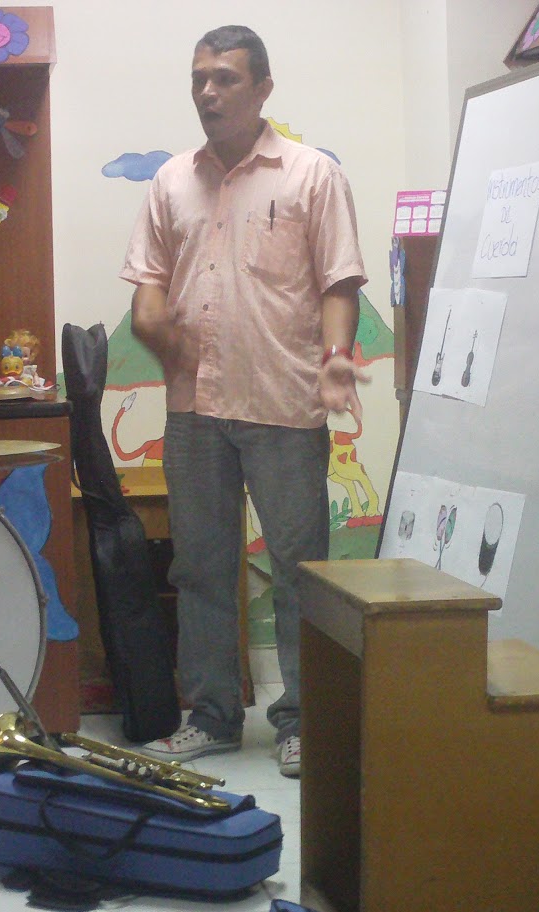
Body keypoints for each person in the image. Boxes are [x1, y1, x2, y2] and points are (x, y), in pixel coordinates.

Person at [120, 25, 367, 779]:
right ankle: (212, 717)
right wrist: (151, 322)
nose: (208, 91)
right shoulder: (170, 181)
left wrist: (336, 359)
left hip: (284, 402)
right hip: (194, 407)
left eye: (225, 78)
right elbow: (148, 286)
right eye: (199, 77)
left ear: (262, 88)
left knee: (299, 569)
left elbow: (340, 282)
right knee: (198, 567)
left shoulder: (311, 174)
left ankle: (303, 722)